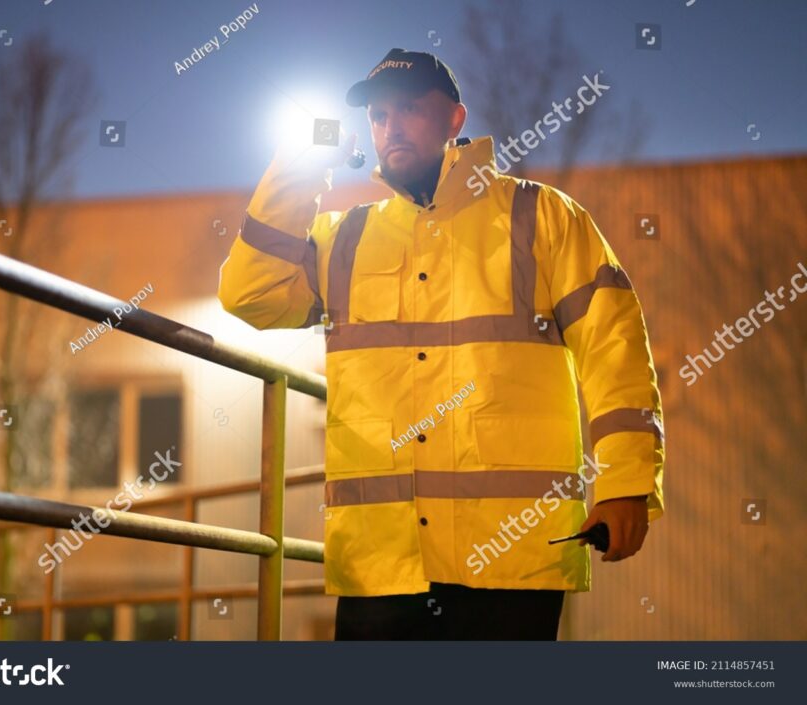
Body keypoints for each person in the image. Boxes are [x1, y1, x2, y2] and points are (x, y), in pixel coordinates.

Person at [218, 48, 665, 640]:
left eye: (409, 109)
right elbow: (249, 295)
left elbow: (615, 348)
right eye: (377, 116)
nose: (390, 126)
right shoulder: (345, 239)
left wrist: (626, 483)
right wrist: (300, 168)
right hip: (381, 565)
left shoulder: (543, 217)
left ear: (455, 119)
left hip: (510, 559)